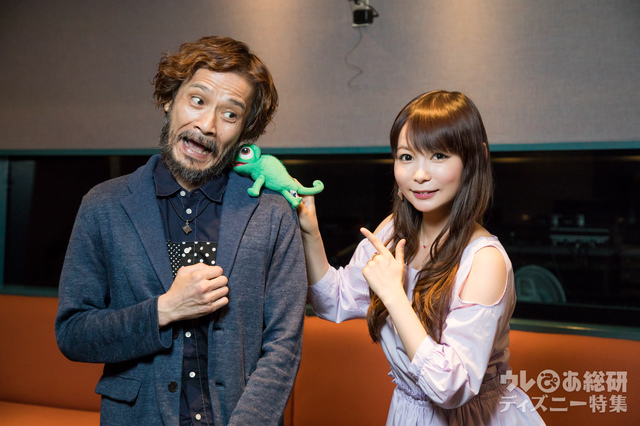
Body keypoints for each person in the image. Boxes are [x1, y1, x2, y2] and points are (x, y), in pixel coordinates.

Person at [55, 36, 307, 426]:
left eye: (230, 114)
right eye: (197, 100)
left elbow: (283, 344)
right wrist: (165, 310)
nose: (207, 125)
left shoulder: (271, 212)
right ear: (169, 100)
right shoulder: (104, 205)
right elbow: (74, 334)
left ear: (245, 130)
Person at [298, 90, 546, 425]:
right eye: (406, 157)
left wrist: (393, 295)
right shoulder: (392, 232)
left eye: (439, 155)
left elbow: (450, 387)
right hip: (409, 412)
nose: (419, 174)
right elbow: (333, 301)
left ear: (474, 159)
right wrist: (310, 231)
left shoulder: (485, 260)